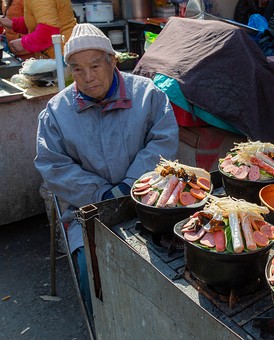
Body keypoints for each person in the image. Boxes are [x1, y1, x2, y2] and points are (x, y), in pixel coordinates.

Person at [34, 23, 179, 313]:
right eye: (77, 70)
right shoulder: (56, 111)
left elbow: (163, 140)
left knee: (171, 268)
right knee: (94, 271)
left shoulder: (146, 94)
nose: (88, 78)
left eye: (96, 66)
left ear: (113, 61)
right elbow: (52, 164)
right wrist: (101, 193)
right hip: (88, 210)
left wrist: (130, 185)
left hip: (149, 200)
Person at [0, 0, 76, 59]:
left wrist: (23, 43)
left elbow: (48, 31)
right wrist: (13, 24)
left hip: (59, 54)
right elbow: (36, 21)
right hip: (61, 50)